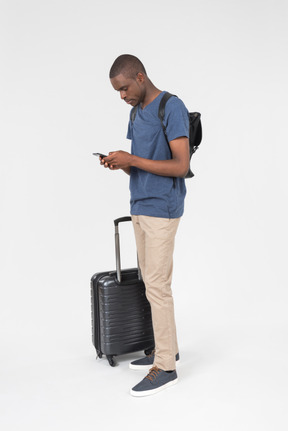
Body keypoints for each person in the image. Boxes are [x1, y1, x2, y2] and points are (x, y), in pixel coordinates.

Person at [100, 54, 190, 397]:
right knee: (150, 283)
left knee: (157, 285)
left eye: (124, 88)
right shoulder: (135, 112)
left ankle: (166, 366)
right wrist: (120, 163)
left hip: (163, 209)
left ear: (140, 76)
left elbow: (180, 165)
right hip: (139, 204)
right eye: (117, 92)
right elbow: (143, 164)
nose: (122, 96)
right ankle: (167, 347)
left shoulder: (172, 106)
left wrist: (132, 158)